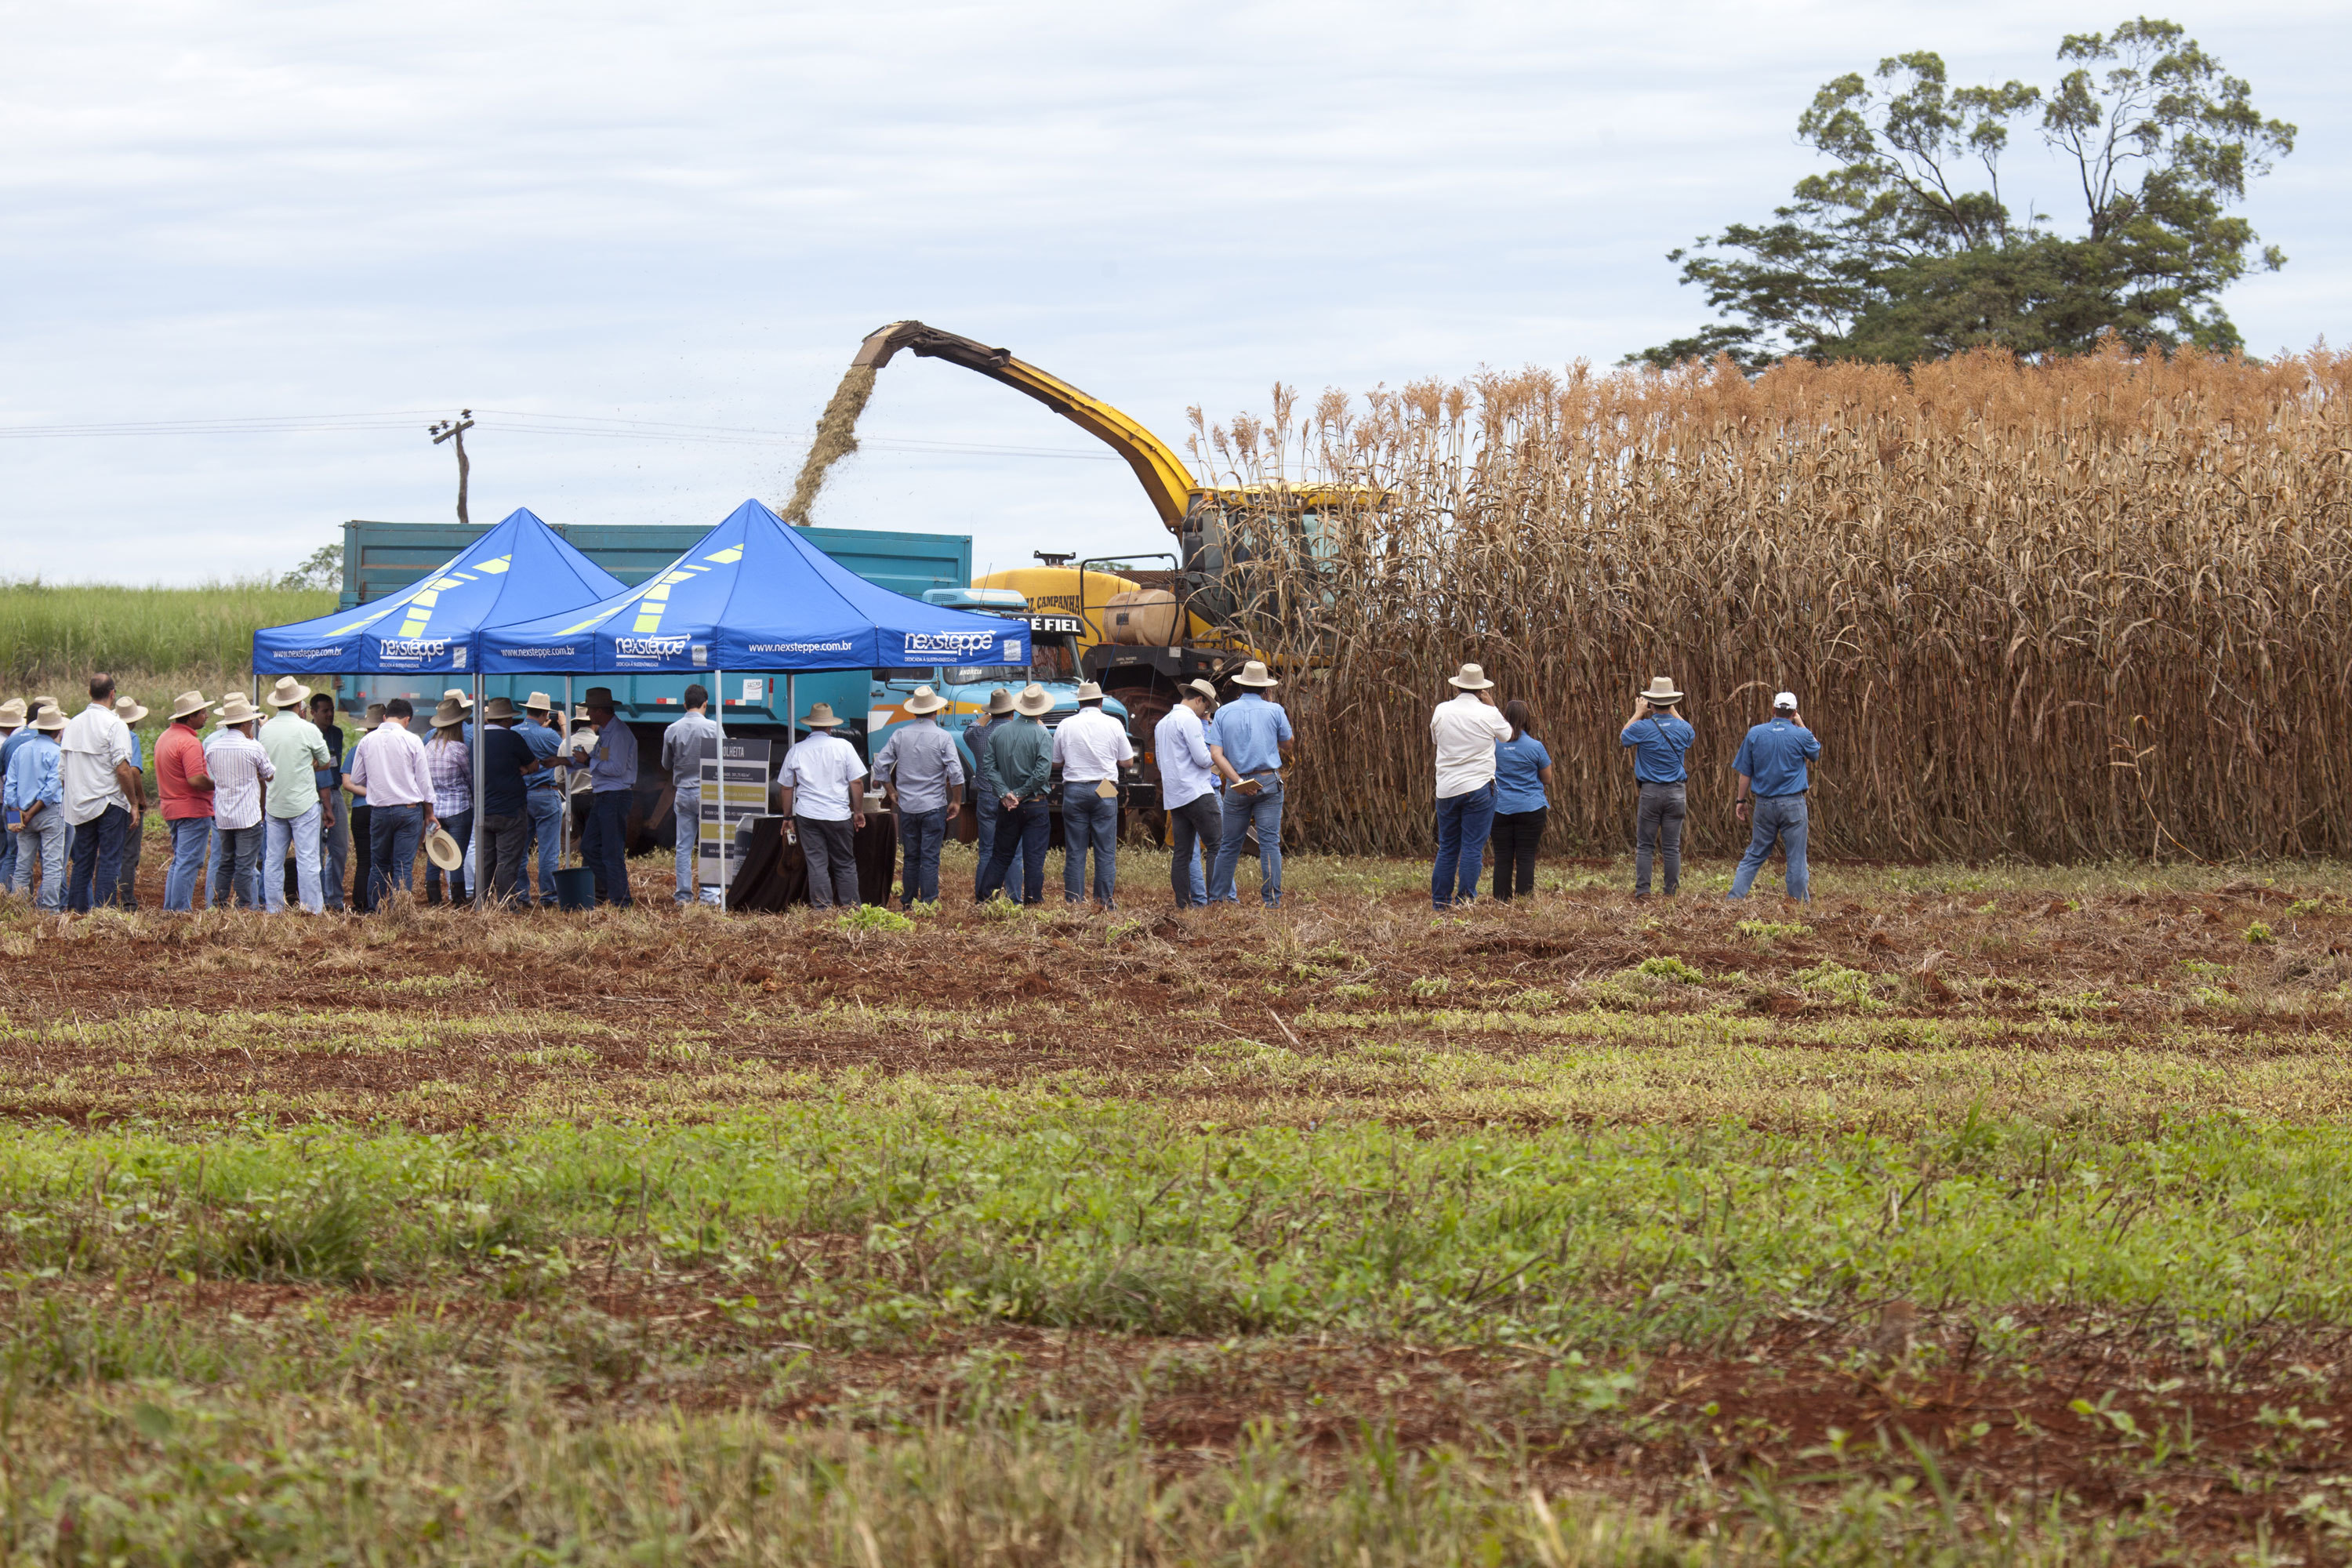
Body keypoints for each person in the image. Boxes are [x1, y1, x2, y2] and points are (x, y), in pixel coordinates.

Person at [1207, 660, 1294, 908]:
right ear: (1265, 689)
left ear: (1242, 686)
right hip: (1268, 781)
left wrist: (1238, 781)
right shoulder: (1275, 710)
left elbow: (1216, 754)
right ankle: (1272, 902)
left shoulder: (1223, 712)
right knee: (1269, 844)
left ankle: (1218, 899)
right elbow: (1288, 743)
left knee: (1229, 845)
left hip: (1237, 784)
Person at [870, 684, 966, 909]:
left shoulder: (900, 734)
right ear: (936, 711)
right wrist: (956, 801)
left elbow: (880, 765)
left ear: (914, 711)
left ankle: (908, 902)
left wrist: (890, 790)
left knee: (911, 856)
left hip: (907, 806)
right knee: (930, 857)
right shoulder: (943, 737)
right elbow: (956, 773)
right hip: (933, 805)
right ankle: (929, 902)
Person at [1428, 662, 1512, 911]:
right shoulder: (1489, 713)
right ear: (1481, 690)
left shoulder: (1441, 710)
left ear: (1458, 687)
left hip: (1447, 789)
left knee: (1448, 847)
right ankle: (1465, 900)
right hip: (1479, 788)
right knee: (1472, 847)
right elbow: (1507, 735)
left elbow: (1436, 739)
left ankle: (1441, 902)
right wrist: (1493, 706)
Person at [1730, 691, 1820, 903]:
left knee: (1755, 853)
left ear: (1773, 710)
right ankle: (1797, 903)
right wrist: (1801, 723)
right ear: (1794, 712)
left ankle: (1734, 899)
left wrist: (1740, 801)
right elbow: (1815, 751)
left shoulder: (1756, 733)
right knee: (1796, 856)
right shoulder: (1801, 735)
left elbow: (1745, 773)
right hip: (1793, 804)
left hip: (1764, 805)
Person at [60, 673, 140, 914]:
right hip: (109, 803)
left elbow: (63, 772)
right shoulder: (115, 724)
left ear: (89, 693)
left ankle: (77, 914)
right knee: (109, 860)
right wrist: (133, 803)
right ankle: (103, 915)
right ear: (113, 694)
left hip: (81, 804)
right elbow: (123, 770)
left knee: (83, 861)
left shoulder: (73, 724)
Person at [1052, 681, 1133, 909]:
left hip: (1075, 787)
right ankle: (1104, 901)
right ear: (1100, 702)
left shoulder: (1065, 725)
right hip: (1105, 785)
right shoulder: (1113, 723)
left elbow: (1056, 762)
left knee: (1076, 850)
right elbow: (1127, 761)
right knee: (1105, 849)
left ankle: (1073, 901)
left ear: (1079, 702)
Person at [779, 702, 867, 909]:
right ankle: (851, 908)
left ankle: (822, 909)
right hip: (838, 813)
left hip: (808, 815)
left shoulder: (797, 750)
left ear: (811, 725)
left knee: (817, 863)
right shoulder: (844, 747)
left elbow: (786, 787)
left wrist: (787, 817)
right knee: (845, 863)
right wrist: (859, 811)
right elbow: (856, 782)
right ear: (830, 727)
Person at [257, 677, 333, 915]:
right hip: (303, 803)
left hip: (275, 803)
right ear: (299, 704)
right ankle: (312, 909)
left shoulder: (265, 730)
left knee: (273, 860)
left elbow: (263, 764)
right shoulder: (307, 729)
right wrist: (309, 764)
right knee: (308, 860)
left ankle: (274, 908)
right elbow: (325, 760)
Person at [347, 697, 434, 906]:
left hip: (379, 811)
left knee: (378, 865)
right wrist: (430, 814)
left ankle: (376, 911)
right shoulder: (412, 740)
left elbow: (356, 778)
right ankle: (400, 913)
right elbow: (424, 782)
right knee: (403, 866)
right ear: (407, 720)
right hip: (408, 810)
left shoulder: (367, 741)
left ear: (385, 717)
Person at [975, 684, 1054, 905]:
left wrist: (1005, 793)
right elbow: (1042, 774)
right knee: (1034, 860)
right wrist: (1019, 794)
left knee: (1000, 855)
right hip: (1035, 804)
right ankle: (1032, 902)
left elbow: (988, 767)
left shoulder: (999, 732)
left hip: (1007, 805)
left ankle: (985, 899)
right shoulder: (1043, 734)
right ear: (1040, 709)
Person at [1620, 676, 1696, 898]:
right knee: (1672, 847)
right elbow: (1689, 733)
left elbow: (1624, 737)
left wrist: (1638, 713)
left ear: (1651, 703)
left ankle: (1643, 891)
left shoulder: (1643, 727)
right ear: (1672, 702)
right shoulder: (1683, 729)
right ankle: (1670, 892)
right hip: (1676, 792)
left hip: (1651, 792)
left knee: (1645, 845)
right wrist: (1671, 710)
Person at [202, 695, 274, 909]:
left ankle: (220, 903)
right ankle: (245, 905)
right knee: (245, 865)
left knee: (226, 861)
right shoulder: (253, 747)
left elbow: (214, 775)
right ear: (245, 723)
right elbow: (269, 774)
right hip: (248, 815)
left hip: (224, 814)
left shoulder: (213, 748)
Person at [1155, 678, 1220, 909]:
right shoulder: (1190, 720)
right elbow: (1203, 759)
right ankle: (1217, 902)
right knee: (1217, 846)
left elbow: (1162, 765)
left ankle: (1183, 904)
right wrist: (1218, 759)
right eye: (1206, 707)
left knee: (1182, 854)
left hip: (1175, 796)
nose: (1206, 712)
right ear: (1199, 700)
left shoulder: (1162, 723)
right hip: (1198, 793)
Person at [659, 684, 722, 907]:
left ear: (684, 705)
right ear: (705, 704)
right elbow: (725, 761)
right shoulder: (714, 728)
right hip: (708, 792)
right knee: (709, 845)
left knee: (684, 847)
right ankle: (709, 896)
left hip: (683, 792)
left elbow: (666, 764)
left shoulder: (672, 729)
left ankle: (684, 896)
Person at [474, 697, 541, 907]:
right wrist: (521, 769)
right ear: (506, 720)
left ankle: (482, 903)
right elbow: (533, 765)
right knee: (507, 861)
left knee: (485, 861)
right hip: (510, 809)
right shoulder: (512, 739)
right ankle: (507, 905)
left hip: (483, 808)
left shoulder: (476, 739)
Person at [154, 690, 216, 912]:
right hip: (192, 809)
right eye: (203, 712)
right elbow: (196, 780)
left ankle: (171, 910)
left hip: (172, 807)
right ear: (191, 717)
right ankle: (180, 910)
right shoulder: (188, 742)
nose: (206, 716)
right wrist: (219, 784)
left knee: (180, 860)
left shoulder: (165, 738)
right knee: (188, 862)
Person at [1490, 699, 1555, 903]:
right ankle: (1524, 900)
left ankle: (1501, 900)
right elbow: (1547, 779)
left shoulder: (1493, 746)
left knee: (1502, 857)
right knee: (1526, 856)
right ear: (1527, 719)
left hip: (1499, 808)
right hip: (1531, 808)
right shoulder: (1536, 746)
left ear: (1505, 719)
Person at [5, 704, 68, 911]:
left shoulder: (20, 751)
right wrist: (32, 813)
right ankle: (49, 911)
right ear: (58, 730)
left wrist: (19, 817)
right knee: (51, 865)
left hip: (22, 814)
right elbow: (51, 789)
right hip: (48, 813)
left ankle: (19, 909)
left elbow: (10, 787)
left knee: (22, 865)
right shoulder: (57, 752)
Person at [578, 688, 637, 908]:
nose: (589, 714)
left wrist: (585, 762)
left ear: (600, 711)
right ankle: (616, 893)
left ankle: (621, 900)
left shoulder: (618, 734)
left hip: (614, 796)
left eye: (590, 710)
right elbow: (599, 761)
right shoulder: (607, 733)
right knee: (590, 847)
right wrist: (566, 761)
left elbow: (616, 768)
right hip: (606, 796)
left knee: (609, 851)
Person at [964, 688, 1024, 900]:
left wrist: (987, 715)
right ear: (1012, 712)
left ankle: (984, 898)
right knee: (1015, 853)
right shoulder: (1020, 732)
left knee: (987, 851)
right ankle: (1014, 899)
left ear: (992, 712)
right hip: (1013, 796)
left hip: (987, 796)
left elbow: (969, 730)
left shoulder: (978, 734)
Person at [422, 697, 474, 906]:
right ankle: (459, 900)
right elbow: (470, 778)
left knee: (435, 854)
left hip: (433, 810)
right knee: (456, 856)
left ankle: (433, 898)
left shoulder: (427, 748)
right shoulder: (459, 749)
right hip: (459, 808)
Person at [108, 693, 152, 908]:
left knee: (107, 852)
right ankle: (127, 901)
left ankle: (103, 899)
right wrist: (139, 800)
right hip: (126, 802)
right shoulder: (130, 737)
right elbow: (133, 771)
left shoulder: (107, 732)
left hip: (106, 802)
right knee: (129, 853)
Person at [307, 692, 349, 912]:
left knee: (340, 847)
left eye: (331, 710)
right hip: (312, 794)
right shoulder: (307, 733)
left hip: (334, 791)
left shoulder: (336, 734)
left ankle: (334, 899)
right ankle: (319, 898)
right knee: (315, 849)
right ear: (313, 713)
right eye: (325, 711)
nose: (330, 714)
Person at [345, 704, 383, 913]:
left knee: (363, 860)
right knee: (380, 860)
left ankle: (360, 902)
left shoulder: (355, 749)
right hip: (380, 808)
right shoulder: (387, 749)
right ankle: (376, 902)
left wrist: (366, 793)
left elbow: (347, 782)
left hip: (360, 810)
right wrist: (375, 793)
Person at [0, 699, 24, 894]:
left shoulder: (9, 743)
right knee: (15, 851)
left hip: (8, 806)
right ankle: (12, 893)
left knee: (9, 852)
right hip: (16, 806)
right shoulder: (14, 743)